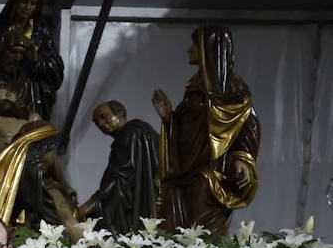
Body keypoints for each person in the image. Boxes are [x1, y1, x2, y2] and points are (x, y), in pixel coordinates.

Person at [153, 25, 261, 235]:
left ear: (207, 48)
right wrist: (169, 119)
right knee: (170, 223)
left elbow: (248, 123)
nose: (189, 50)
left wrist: (242, 157)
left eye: (194, 45)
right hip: (183, 171)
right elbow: (188, 127)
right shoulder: (194, 87)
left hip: (208, 174)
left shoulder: (231, 87)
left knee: (203, 235)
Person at [0, 0, 64, 120]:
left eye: (33, 3)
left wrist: (35, 58)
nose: (28, 7)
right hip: (2, 88)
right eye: (24, 2)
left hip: (31, 90)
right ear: (15, 2)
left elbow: (55, 66)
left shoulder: (41, 32)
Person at [77, 100, 160, 234]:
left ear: (119, 113)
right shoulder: (136, 132)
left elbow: (121, 178)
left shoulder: (131, 132)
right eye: (96, 121)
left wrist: (91, 204)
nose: (100, 123)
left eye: (104, 116)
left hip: (134, 207)